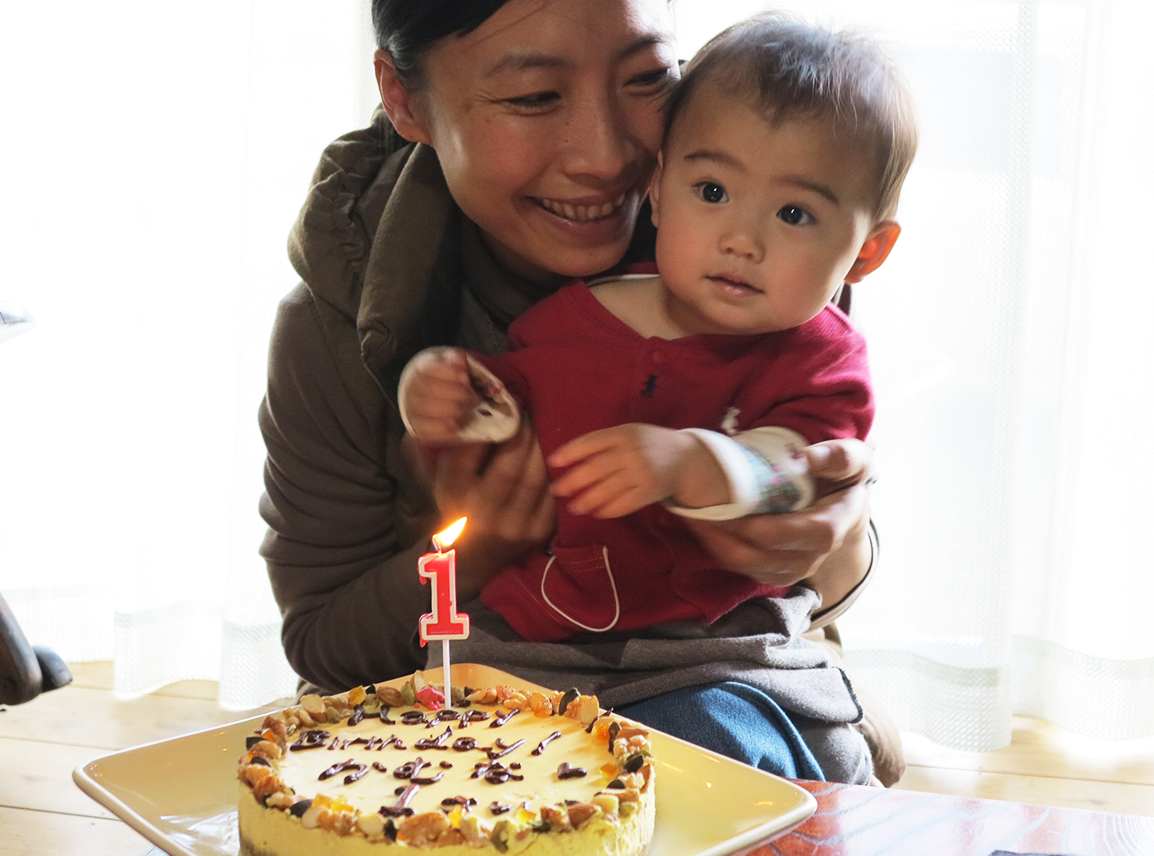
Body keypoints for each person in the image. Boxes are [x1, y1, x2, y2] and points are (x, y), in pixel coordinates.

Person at [259, 0, 899, 785]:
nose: (604, 157)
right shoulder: (342, 323)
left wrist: (825, 525)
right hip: (480, 698)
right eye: (534, 96)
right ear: (404, 99)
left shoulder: (768, 241)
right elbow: (328, 647)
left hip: (733, 679)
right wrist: (476, 538)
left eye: (646, 78)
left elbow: (814, 577)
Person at [397, 13, 914, 649]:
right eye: (713, 191)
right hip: (546, 633)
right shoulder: (574, 318)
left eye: (793, 213)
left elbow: (797, 469)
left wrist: (694, 462)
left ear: (866, 251)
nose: (742, 240)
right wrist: (439, 395)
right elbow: (501, 408)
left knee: (771, 741)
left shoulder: (821, 357)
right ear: (662, 189)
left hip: (718, 655)